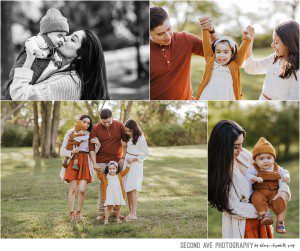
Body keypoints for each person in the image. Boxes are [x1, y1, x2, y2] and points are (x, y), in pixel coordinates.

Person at [208, 120, 291, 238]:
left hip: (262, 223)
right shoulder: (219, 173)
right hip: (244, 226)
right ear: (223, 147)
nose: (241, 149)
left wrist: (282, 191)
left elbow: (273, 173)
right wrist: (263, 209)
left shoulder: (243, 155)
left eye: (241, 144)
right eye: (236, 147)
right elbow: (234, 208)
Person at [8, 29, 109, 100]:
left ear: (81, 55)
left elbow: (20, 95)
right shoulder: (64, 69)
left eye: (73, 39)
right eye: (70, 35)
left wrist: (29, 58)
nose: (65, 38)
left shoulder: (70, 83)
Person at [150, 7, 217, 100]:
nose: (168, 36)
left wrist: (212, 31)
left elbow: (215, 53)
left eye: (169, 29)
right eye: (160, 34)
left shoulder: (185, 39)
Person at [8, 8, 69, 87]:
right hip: (20, 71)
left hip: (33, 75)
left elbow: (54, 54)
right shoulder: (40, 40)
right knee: (13, 91)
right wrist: (36, 50)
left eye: (64, 36)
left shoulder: (53, 46)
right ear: (47, 33)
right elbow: (29, 43)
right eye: (59, 35)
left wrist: (57, 60)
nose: (62, 39)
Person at [243, 21, 299, 100]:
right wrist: (249, 41)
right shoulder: (275, 58)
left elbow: (294, 99)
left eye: (276, 42)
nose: (272, 45)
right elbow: (251, 67)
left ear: (289, 43)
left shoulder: (297, 69)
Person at [196, 24, 253, 100]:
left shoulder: (235, 65)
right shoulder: (211, 61)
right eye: (218, 52)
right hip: (208, 95)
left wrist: (247, 37)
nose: (221, 55)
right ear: (214, 52)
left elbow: (243, 49)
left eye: (226, 52)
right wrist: (205, 29)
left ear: (232, 54)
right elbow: (206, 44)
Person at [246, 137, 290, 234]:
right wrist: (255, 178)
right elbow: (248, 174)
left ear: (273, 158)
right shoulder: (253, 168)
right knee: (256, 198)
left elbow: (284, 172)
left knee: (280, 202)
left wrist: (286, 176)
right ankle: (264, 216)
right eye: (261, 159)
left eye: (269, 158)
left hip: (274, 192)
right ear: (255, 160)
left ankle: (280, 222)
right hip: (260, 191)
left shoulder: (275, 167)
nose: (266, 161)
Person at [89, 109, 127, 220]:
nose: (106, 124)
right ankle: (101, 212)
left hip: (116, 160)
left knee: (117, 185)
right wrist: (95, 163)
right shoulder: (95, 128)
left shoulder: (119, 125)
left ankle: (116, 211)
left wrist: (123, 158)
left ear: (112, 117)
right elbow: (91, 148)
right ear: (100, 118)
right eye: (104, 122)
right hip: (101, 160)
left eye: (109, 122)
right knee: (105, 184)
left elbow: (125, 144)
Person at [60, 114, 94, 222]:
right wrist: (71, 152)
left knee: (82, 190)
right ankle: (71, 212)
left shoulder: (90, 134)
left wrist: (97, 144)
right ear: (79, 121)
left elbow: (93, 151)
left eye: (88, 123)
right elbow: (62, 150)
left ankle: (79, 212)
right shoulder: (70, 132)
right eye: (84, 122)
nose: (86, 124)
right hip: (73, 161)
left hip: (85, 162)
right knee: (73, 189)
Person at [122, 119, 149, 221]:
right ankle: (130, 213)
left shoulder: (141, 138)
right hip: (127, 163)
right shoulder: (128, 138)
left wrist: (134, 159)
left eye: (129, 131)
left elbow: (146, 153)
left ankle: (134, 214)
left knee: (132, 189)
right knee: (128, 189)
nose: (127, 133)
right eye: (126, 131)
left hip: (135, 164)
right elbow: (126, 147)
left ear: (134, 129)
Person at [96, 161, 130, 225]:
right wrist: (97, 170)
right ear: (108, 169)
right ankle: (106, 220)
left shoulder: (119, 175)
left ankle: (117, 218)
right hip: (110, 195)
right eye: (110, 169)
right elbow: (99, 176)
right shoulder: (105, 176)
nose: (112, 170)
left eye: (113, 169)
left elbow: (125, 172)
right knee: (109, 207)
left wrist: (128, 165)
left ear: (116, 169)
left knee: (118, 207)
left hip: (118, 194)